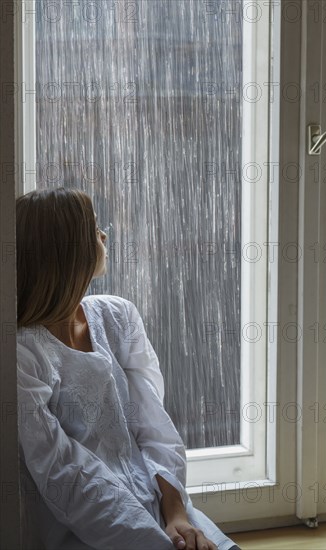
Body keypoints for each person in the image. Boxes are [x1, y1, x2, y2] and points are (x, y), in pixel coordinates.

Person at [16, 188, 242, 550]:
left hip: (160, 505)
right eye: (92, 229)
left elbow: (155, 427)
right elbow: (64, 475)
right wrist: (156, 542)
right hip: (84, 527)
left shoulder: (118, 315)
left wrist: (177, 515)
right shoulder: (22, 354)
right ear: (66, 251)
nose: (103, 236)